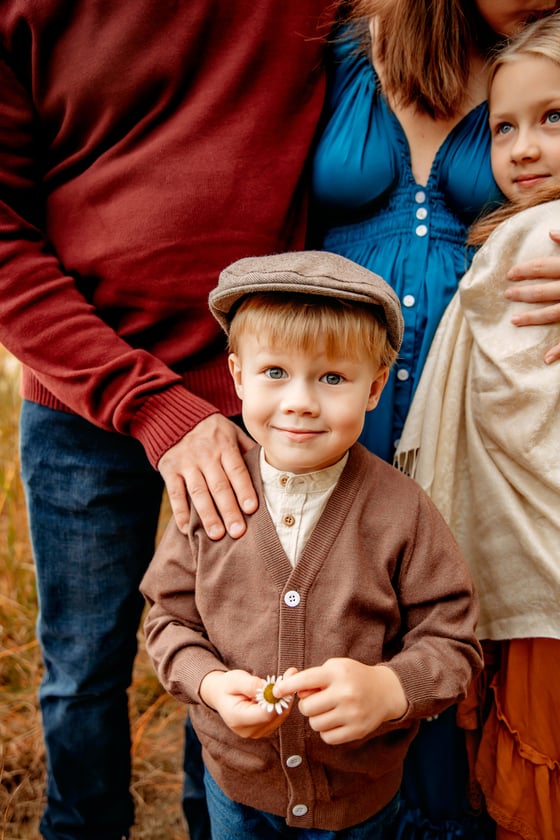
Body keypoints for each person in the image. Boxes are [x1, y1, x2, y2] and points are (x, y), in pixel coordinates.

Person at [0, 3, 337, 838]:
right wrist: (148, 401)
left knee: (244, 666)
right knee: (82, 668)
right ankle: (82, 827)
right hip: (84, 401)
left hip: (266, 399)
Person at [310, 1, 560, 835]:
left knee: (466, 630)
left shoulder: (543, 50)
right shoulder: (334, 40)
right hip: (341, 397)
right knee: (342, 622)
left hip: (486, 415)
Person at [140, 249, 483, 839]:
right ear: (238, 375)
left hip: (360, 797)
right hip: (238, 790)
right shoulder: (211, 497)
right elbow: (168, 620)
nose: (300, 400)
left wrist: (393, 689)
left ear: (374, 387)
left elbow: (453, 639)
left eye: (332, 378)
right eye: (275, 373)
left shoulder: (403, 510)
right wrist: (211, 685)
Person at [395, 14, 560, 839]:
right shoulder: (511, 236)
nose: (524, 149)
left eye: (553, 119)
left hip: (542, 572)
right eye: (502, 129)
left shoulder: (537, 241)